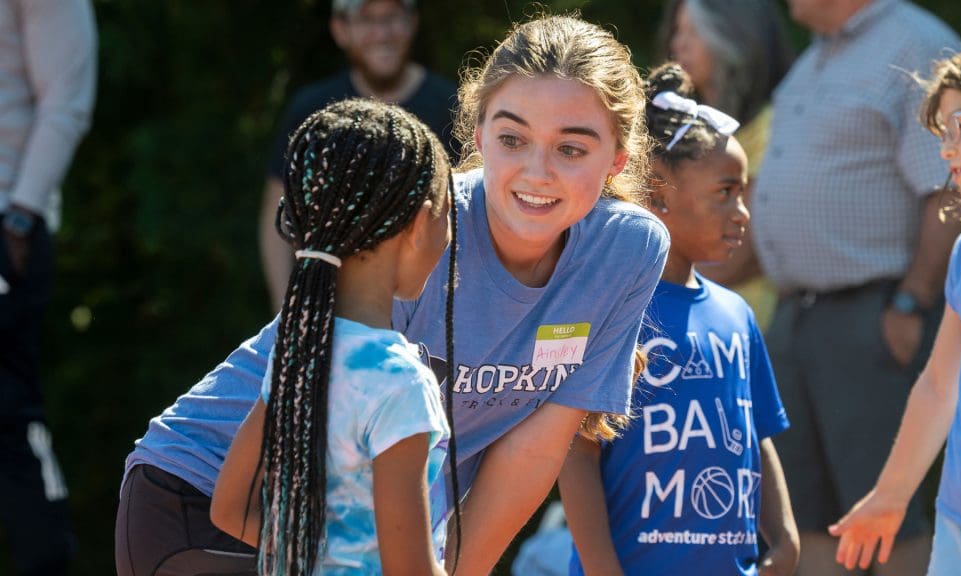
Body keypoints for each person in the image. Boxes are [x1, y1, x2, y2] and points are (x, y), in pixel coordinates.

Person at [116, 14, 669, 576]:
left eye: (571, 149)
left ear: (618, 159)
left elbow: (532, 452)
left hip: (345, 541)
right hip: (204, 498)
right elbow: (264, 484)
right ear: (477, 135)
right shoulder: (420, 230)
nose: (537, 171)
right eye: (512, 138)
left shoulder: (628, 251)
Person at [559, 62, 799, 576]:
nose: (743, 212)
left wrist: (785, 538)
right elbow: (575, 454)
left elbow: (755, 433)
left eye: (743, 192)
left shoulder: (737, 313)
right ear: (658, 192)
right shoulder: (611, 311)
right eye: (725, 192)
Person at [749, 1, 961, 574]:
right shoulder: (816, 56)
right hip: (796, 317)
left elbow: (949, 187)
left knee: (884, 517)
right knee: (802, 519)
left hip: (875, 315)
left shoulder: (916, 44)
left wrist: (910, 302)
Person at [210, 99, 452, 574]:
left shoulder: (298, 352)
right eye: (448, 211)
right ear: (420, 222)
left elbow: (230, 508)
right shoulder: (399, 382)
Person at [829, 31, 961, 575]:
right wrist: (890, 495)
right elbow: (940, 384)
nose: (945, 150)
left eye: (959, 129)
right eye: (942, 133)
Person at [259, 0, 457, 310]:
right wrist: (289, 312)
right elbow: (277, 212)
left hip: (434, 316)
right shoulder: (313, 111)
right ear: (340, 29)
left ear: (412, 22)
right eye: (366, 19)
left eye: (392, 16)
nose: (381, 32)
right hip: (330, 314)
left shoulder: (452, 107)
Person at [0, 1, 97, 574]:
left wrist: (22, 216)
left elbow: (67, 99)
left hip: (10, 223)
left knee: (9, 417)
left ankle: (48, 561)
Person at [657, 0, 793, 329]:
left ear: (732, 37)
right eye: (677, 30)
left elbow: (740, 253)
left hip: (749, 324)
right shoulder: (684, 127)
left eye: (692, 32)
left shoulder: (774, 127)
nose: (678, 44)